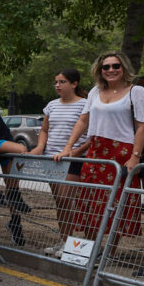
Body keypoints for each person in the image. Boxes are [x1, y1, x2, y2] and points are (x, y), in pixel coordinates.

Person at [58, 51, 144, 246]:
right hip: (96, 151)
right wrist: (68, 147)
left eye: (115, 66)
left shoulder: (137, 91)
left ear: (124, 67)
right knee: (90, 201)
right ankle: (88, 249)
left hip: (123, 152)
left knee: (116, 203)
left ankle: (109, 252)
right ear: (100, 70)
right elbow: (83, 120)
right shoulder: (94, 91)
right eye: (106, 67)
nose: (111, 70)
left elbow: (143, 126)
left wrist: (135, 157)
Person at [31, 68, 88, 249]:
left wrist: (73, 152)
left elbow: (92, 136)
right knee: (60, 202)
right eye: (56, 82)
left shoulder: (85, 104)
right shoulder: (52, 105)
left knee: (66, 199)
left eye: (62, 82)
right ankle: (64, 241)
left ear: (74, 83)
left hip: (73, 161)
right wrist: (40, 147)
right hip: (52, 160)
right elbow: (45, 130)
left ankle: (74, 244)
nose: (57, 85)